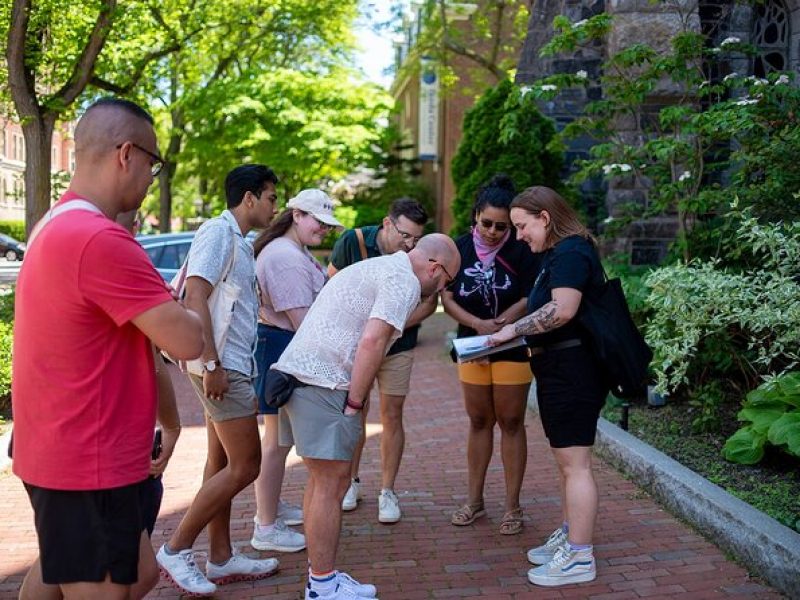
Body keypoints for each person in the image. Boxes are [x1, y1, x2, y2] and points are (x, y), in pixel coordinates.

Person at [12, 97, 204, 600]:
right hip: (86, 461)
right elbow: (188, 339)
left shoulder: (56, 223)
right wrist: (195, 294)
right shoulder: (100, 239)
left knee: (127, 574)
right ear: (126, 154)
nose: (152, 176)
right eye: (153, 162)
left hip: (64, 448)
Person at [274, 234, 460, 600]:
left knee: (322, 481)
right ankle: (323, 586)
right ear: (436, 268)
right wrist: (355, 404)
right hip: (323, 383)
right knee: (332, 483)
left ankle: (321, 578)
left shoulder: (381, 266)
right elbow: (373, 341)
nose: (441, 289)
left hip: (301, 376)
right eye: (446, 281)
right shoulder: (403, 280)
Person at [21, 209, 185, 600]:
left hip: (89, 448)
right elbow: (186, 342)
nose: (137, 229)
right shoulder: (99, 252)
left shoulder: (68, 241)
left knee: (137, 572)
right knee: (105, 581)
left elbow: (150, 358)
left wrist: (171, 425)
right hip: (82, 452)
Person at [156, 164, 281, 596]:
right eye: (270, 198)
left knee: (223, 463)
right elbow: (195, 293)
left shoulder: (240, 243)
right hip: (222, 368)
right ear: (249, 198)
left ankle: (222, 557)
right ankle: (176, 548)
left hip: (230, 365)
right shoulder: (219, 233)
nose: (274, 207)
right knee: (247, 465)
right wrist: (211, 365)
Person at [489, 186, 608, 587]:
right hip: (559, 369)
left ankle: (579, 556)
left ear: (545, 217)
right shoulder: (559, 254)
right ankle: (572, 533)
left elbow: (562, 309)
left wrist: (511, 331)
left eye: (523, 226)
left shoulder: (572, 252)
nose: (519, 235)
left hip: (572, 371)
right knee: (566, 463)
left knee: (575, 465)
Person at [441, 175, 539, 535]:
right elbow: (446, 295)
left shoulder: (523, 249)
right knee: (479, 421)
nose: (494, 232)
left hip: (513, 344)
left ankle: (513, 507)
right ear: (475, 216)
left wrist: (505, 322)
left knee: (511, 422)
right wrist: (476, 325)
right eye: (487, 224)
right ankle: (475, 501)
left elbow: (533, 294)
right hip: (472, 345)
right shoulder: (458, 248)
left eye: (502, 226)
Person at [327, 197, 435, 523]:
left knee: (392, 413)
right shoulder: (354, 242)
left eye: (416, 239)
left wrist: (393, 324)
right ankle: (351, 481)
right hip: (358, 345)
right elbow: (332, 285)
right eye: (405, 236)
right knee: (355, 410)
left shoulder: (421, 254)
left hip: (399, 345)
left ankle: (388, 490)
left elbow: (429, 304)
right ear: (387, 224)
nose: (410, 245)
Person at [250, 189, 342, 553]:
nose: (325, 230)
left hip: (282, 343)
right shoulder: (285, 257)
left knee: (279, 440)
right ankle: (266, 524)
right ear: (298, 215)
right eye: (319, 222)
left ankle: (269, 511)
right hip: (284, 345)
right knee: (276, 442)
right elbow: (303, 320)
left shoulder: (288, 251)